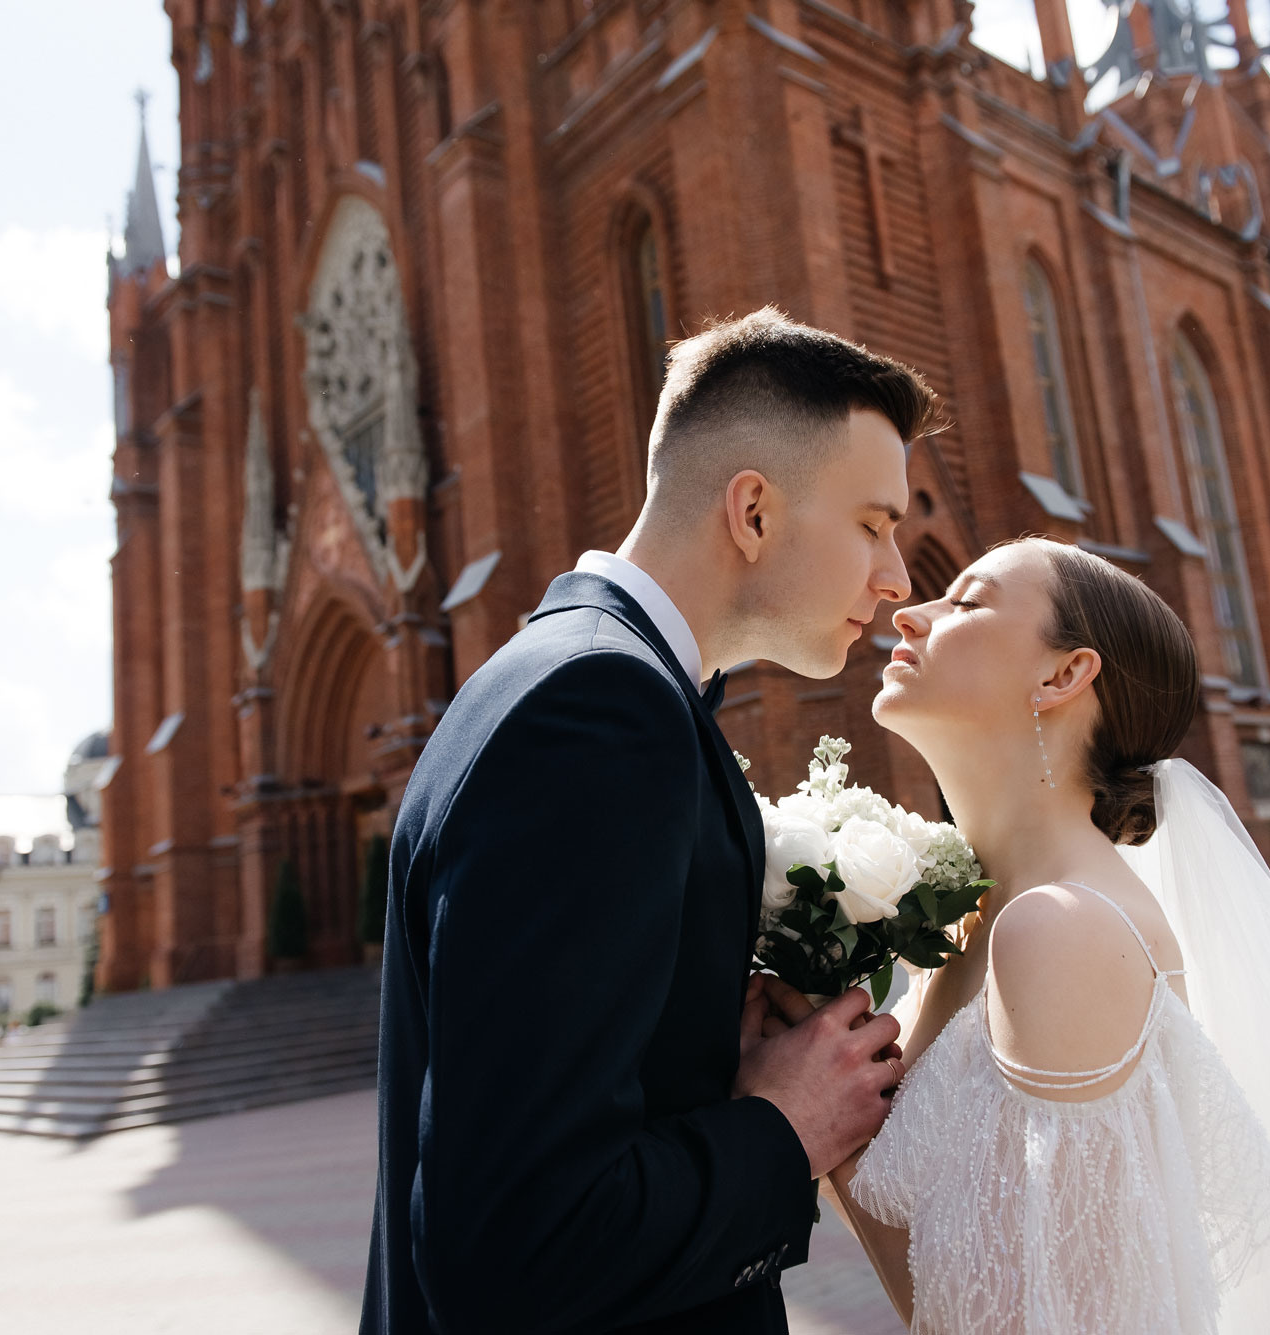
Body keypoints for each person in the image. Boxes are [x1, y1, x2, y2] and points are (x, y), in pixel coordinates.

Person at [365, 309, 940, 1334]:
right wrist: (781, 1127)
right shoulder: (594, 713)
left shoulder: (590, 683)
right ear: (752, 512)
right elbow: (507, 1240)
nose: (897, 578)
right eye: (870, 523)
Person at [802, 538, 1270, 1334]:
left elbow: (1025, 1319)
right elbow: (941, 1253)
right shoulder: (961, 920)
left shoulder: (1062, 930)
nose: (909, 613)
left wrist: (822, 1135)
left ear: (1062, 675)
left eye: (968, 602)